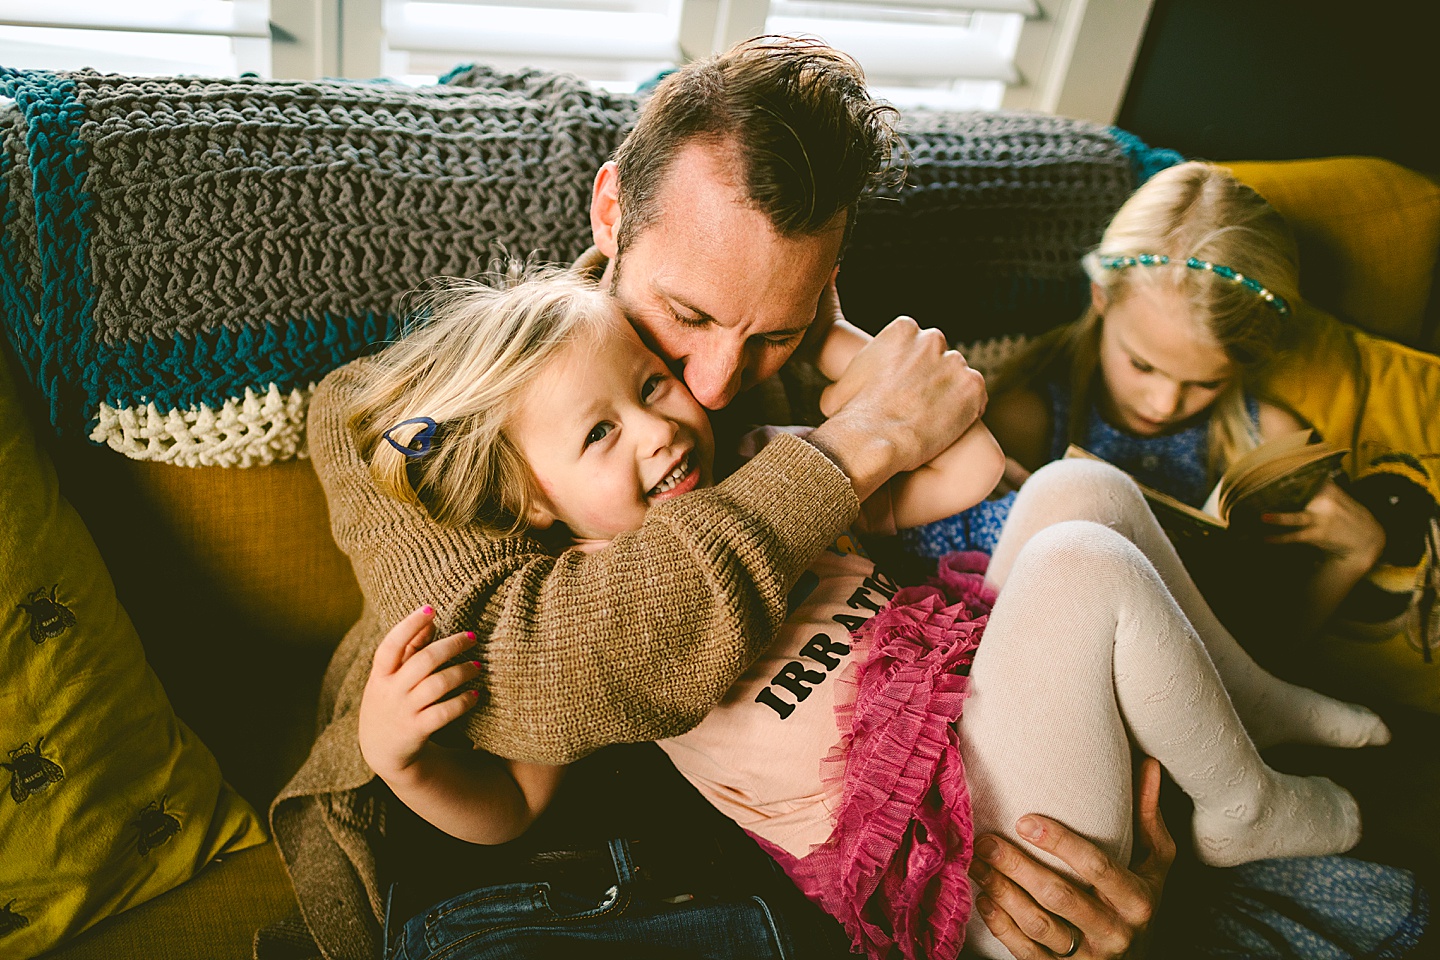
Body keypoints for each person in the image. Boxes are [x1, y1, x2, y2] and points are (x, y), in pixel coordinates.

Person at [282, 39, 1432, 960]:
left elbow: (1033, 573)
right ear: (608, 213)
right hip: (582, 888)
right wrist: (855, 444)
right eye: (685, 318)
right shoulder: (411, 411)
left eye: (770, 329)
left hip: (883, 826)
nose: (715, 385)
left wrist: (1141, 835)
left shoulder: (784, 380)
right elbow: (533, 676)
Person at [928, 161, 1388, 638]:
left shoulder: (1266, 441)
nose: (1165, 404)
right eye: (1142, 365)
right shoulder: (1029, 419)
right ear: (1101, 297)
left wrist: (1354, 555)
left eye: (1207, 383)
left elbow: (1269, 653)